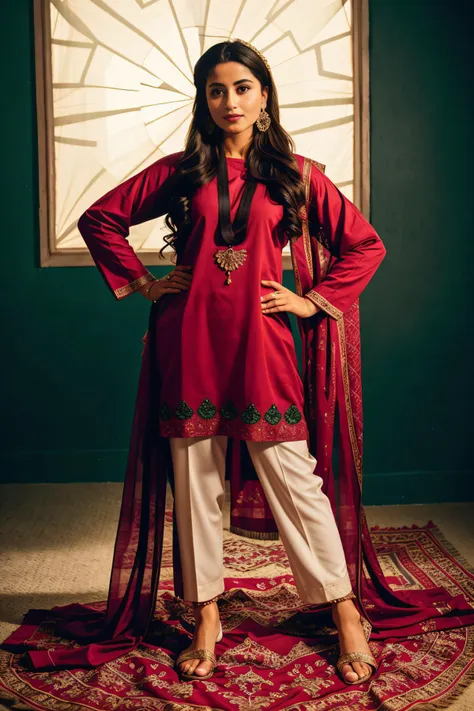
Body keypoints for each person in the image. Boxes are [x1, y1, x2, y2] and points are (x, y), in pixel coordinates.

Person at [76, 38, 381, 685]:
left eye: (242, 87)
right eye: (217, 90)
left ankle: (344, 607)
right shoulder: (183, 171)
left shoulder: (295, 173)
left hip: (262, 344)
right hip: (188, 343)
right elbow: (101, 218)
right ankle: (206, 613)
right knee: (196, 484)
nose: (230, 100)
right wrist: (147, 282)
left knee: (294, 477)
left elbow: (363, 243)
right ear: (204, 100)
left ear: (263, 94)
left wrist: (312, 300)